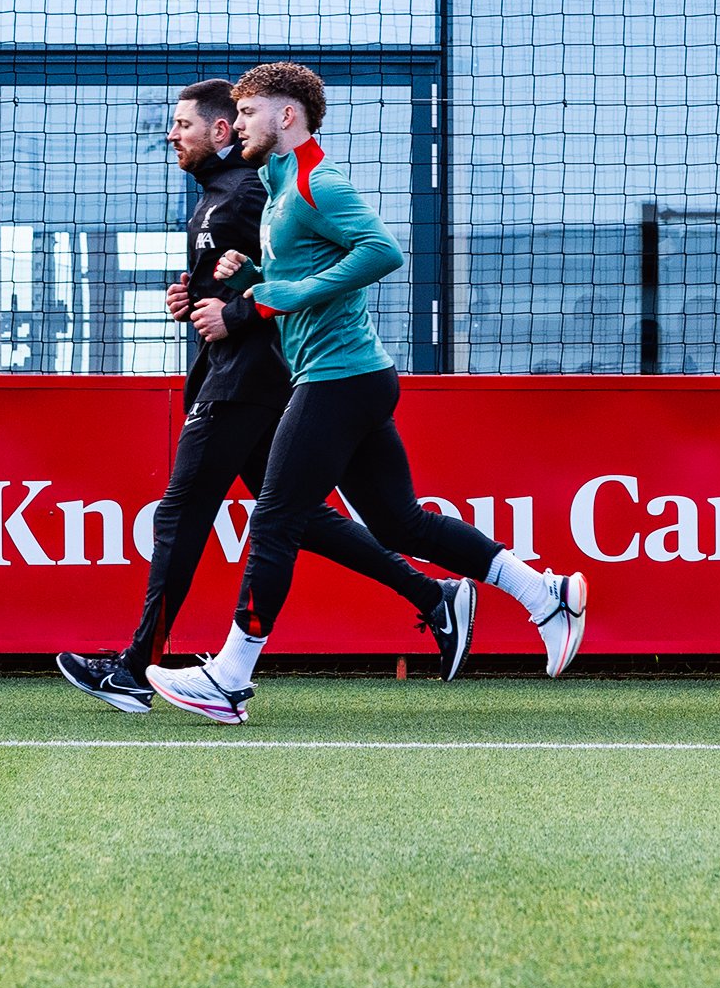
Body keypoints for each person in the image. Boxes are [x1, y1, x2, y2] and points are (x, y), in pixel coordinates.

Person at [146, 61, 588, 726]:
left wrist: (274, 296)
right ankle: (544, 594)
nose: (235, 127)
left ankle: (230, 677)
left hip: (339, 378)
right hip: (349, 374)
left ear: (286, 116)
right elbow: (306, 268)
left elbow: (381, 252)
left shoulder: (320, 182)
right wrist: (248, 275)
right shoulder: (282, 183)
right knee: (398, 523)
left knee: (274, 520)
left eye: (246, 114)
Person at [55, 78, 474, 714]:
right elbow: (253, 273)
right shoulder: (227, 193)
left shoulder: (261, 187)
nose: (172, 135)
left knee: (184, 510)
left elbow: (302, 271)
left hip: (250, 380)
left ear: (225, 130)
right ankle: (432, 597)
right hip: (251, 374)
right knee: (299, 518)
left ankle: (139, 667)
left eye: (185, 125)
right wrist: (195, 297)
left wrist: (242, 312)